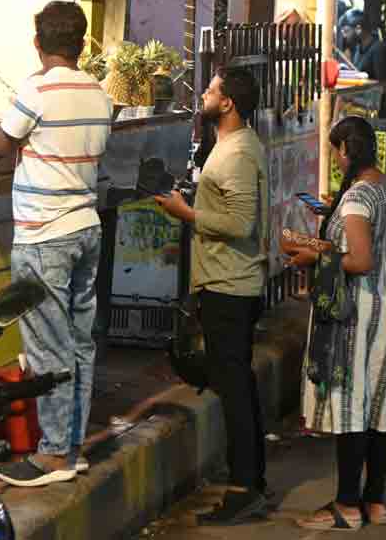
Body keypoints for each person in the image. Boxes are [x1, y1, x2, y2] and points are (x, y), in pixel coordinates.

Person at [0, 2, 113, 488]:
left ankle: (53, 454)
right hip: (87, 227)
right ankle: (74, 446)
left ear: (37, 42)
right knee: (80, 342)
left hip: (45, 234)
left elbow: (1, 143)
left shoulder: (35, 89)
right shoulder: (100, 93)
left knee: (47, 346)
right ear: (81, 45)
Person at [155, 65, 270, 523]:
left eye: (212, 88)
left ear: (228, 103)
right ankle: (250, 478)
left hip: (231, 286)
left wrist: (186, 213)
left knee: (234, 388)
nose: (203, 92)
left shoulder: (239, 151)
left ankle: (245, 486)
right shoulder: (228, 145)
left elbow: (241, 224)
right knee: (234, 385)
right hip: (221, 282)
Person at [283, 117, 386, 531]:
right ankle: (376, 502)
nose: (336, 159)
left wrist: (313, 255)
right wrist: (321, 240)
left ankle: (347, 506)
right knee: (379, 408)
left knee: (352, 409)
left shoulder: (356, 199)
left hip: (357, 315)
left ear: (345, 152)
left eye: (336, 151)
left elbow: (360, 260)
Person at [349, 15, 386, 126]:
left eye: (348, 30)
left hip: (377, 101)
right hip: (364, 99)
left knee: (379, 131)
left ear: (359, 29)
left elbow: (380, 79)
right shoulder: (359, 49)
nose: (346, 34)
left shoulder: (378, 49)